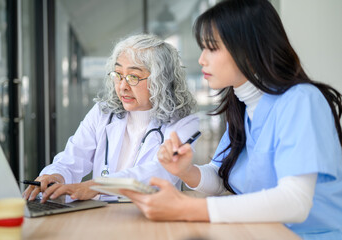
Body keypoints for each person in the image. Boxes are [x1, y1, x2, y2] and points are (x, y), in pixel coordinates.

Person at [121, 0, 342, 239]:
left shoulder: (301, 101)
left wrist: (188, 208)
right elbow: (222, 179)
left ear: (249, 49)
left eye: (212, 48)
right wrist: (186, 171)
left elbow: (295, 202)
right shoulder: (244, 108)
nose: (201, 60)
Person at [22, 34, 198, 203]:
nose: (122, 86)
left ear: (161, 79)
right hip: (103, 215)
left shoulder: (184, 122)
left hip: (151, 217)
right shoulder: (103, 113)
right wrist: (55, 175)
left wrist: (97, 186)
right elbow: (73, 157)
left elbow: (161, 170)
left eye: (133, 77)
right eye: (118, 75)